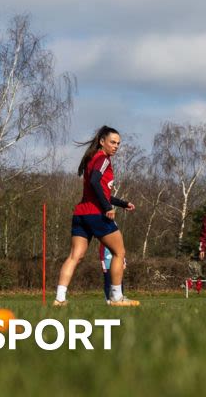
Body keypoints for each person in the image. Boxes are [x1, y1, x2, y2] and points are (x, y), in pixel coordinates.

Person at [54, 126, 138, 307]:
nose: (116, 146)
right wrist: (108, 207)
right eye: (112, 142)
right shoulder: (103, 159)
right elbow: (95, 183)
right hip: (96, 214)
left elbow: (97, 190)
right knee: (119, 252)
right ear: (102, 141)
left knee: (74, 256)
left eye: (118, 144)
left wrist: (122, 203)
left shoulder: (92, 159)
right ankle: (116, 298)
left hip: (80, 214)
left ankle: (59, 298)